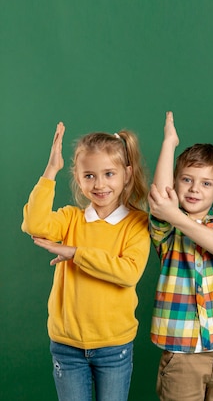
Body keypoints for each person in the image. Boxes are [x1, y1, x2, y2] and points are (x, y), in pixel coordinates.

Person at [21, 122, 151, 401]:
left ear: (126, 175)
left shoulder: (137, 223)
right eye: (89, 175)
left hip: (114, 346)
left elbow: (128, 273)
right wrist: (51, 170)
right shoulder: (70, 218)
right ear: (78, 179)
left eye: (109, 174)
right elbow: (34, 222)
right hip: (66, 346)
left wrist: (74, 252)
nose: (100, 184)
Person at [149, 112, 213, 401]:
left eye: (206, 183)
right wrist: (169, 143)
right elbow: (160, 200)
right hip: (183, 352)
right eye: (187, 180)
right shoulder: (166, 229)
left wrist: (176, 216)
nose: (194, 189)